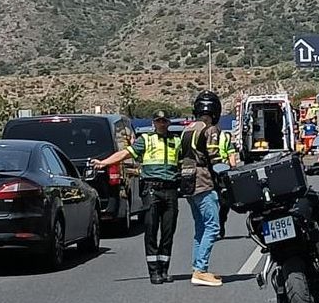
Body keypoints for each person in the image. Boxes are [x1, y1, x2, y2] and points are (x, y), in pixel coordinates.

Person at [91, 111, 180, 284]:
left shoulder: (176, 141)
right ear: (154, 123)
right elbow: (124, 154)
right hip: (152, 189)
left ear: (168, 123)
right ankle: (154, 271)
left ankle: (164, 269)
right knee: (151, 229)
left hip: (170, 190)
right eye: (158, 121)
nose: (161, 124)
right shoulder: (146, 140)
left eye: (164, 121)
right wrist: (104, 162)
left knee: (168, 231)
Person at [180, 91, 224, 287]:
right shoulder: (210, 129)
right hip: (203, 181)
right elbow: (214, 157)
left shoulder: (187, 129)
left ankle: (197, 268)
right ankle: (201, 270)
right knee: (213, 226)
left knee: (200, 227)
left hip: (187, 181)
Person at [217, 130, 238, 239]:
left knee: (224, 202)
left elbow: (231, 154)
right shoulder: (223, 136)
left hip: (221, 172)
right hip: (210, 173)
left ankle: (220, 224)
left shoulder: (224, 137)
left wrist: (233, 169)